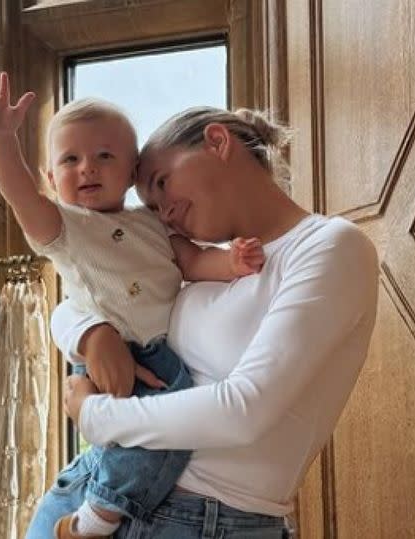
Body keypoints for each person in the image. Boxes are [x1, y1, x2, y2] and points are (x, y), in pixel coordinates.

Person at [0, 71, 265, 539]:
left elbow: (192, 261)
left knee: (163, 439)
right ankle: (96, 519)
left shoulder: (153, 223)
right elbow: (18, 193)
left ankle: (98, 510)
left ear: (131, 171)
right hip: (120, 355)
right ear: (50, 176)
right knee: (152, 440)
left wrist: (231, 264)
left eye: (105, 156)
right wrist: (0, 137)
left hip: (162, 355)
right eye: (71, 159)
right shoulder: (65, 228)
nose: (88, 167)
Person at [56, 106, 380, 538]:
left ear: (217, 141)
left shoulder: (329, 246)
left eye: (162, 183)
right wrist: (91, 333)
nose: (165, 214)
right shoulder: (202, 266)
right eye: (152, 206)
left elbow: (244, 410)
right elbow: (90, 295)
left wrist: (96, 415)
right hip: (91, 485)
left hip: (199, 520)